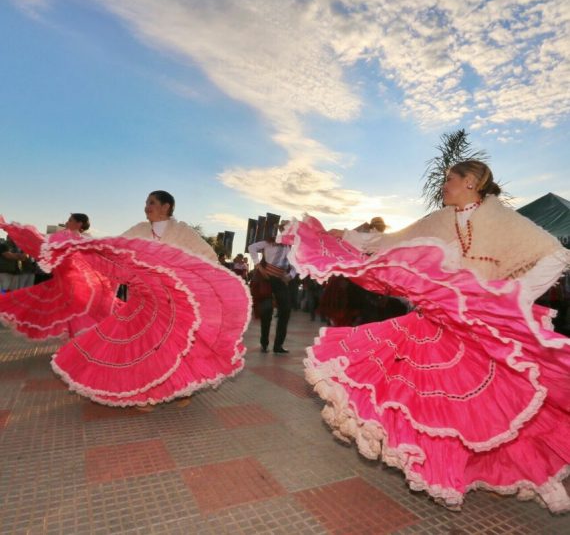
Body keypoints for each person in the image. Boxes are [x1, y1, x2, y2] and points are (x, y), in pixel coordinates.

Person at [287, 160, 570, 513]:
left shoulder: (503, 219)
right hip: (436, 327)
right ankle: (447, 472)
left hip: (480, 331)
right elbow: (391, 240)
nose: (444, 185)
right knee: (439, 409)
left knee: (496, 407)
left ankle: (517, 473)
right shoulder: (439, 219)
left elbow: (556, 254)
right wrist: (344, 236)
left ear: (472, 181)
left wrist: (511, 298)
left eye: (450, 179)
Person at [50, 190, 251, 409]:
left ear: (166, 206)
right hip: (142, 302)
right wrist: (80, 245)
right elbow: (113, 247)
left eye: (152, 202)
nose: (147, 207)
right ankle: (145, 395)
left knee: (174, 348)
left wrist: (182, 274)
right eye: (146, 202)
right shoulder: (139, 229)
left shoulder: (182, 232)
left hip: (172, 303)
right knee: (141, 350)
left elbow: (208, 257)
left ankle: (181, 387)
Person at [0, 214, 117, 339]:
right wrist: (13, 229)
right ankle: (77, 337)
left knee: (76, 309)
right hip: (64, 280)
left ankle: (82, 337)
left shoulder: (83, 240)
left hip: (74, 281)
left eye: (70, 220)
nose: (66, 222)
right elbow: (41, 241)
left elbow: (95, 258)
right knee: (68, 309)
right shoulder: (63, 237)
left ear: (79, 224)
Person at [248, 223, 295, 353]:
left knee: (286, 310)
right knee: (267, 310)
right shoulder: (270, 241)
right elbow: (252, 247)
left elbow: (296, 265)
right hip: (266, 279)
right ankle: (264, 343)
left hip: (281, 280)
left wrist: (290, 276)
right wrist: (258, 266)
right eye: (285, 228)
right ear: (281, 229)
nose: (288, 231)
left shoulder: (292, 247)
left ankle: (278, 346)